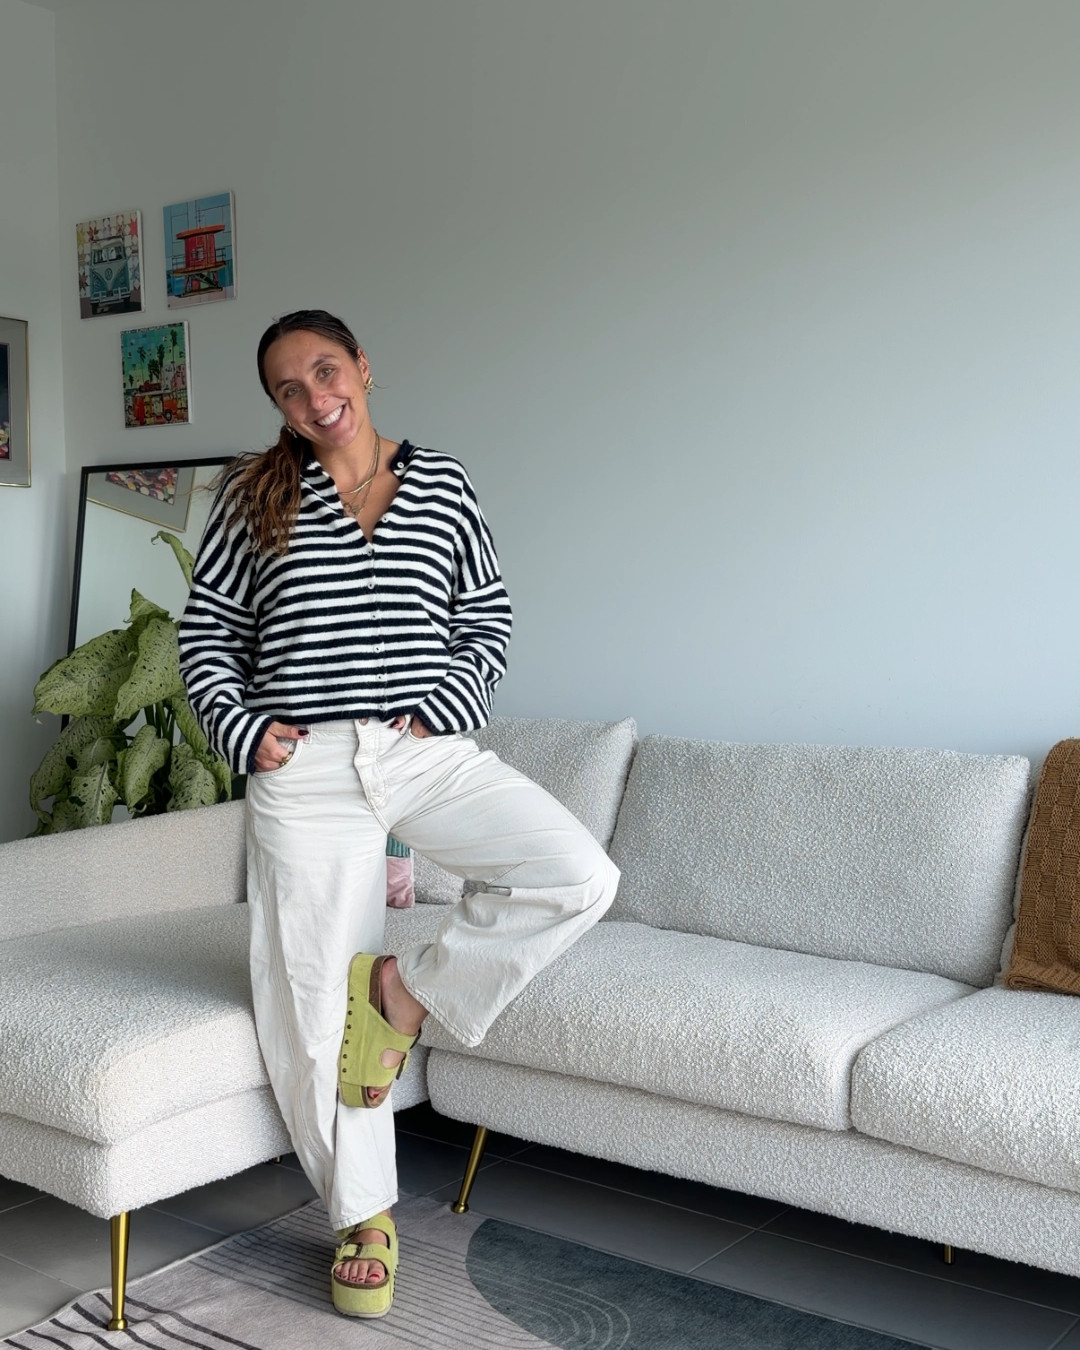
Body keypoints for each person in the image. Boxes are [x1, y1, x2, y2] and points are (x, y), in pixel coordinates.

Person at [177, 309, 619, 1320]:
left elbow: (488, 615)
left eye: (324, 370)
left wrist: (451, 705)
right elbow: (207, 635)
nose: (312, 396)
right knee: (304, 1000)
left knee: (579, 874)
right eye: (287, 388)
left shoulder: (444, 485)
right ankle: (361, 1215)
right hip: (306, 764)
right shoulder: (256, 499)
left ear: (364, 368)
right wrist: (247, 736)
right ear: (278, 407)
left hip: (422, 749)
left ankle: (406, 992)